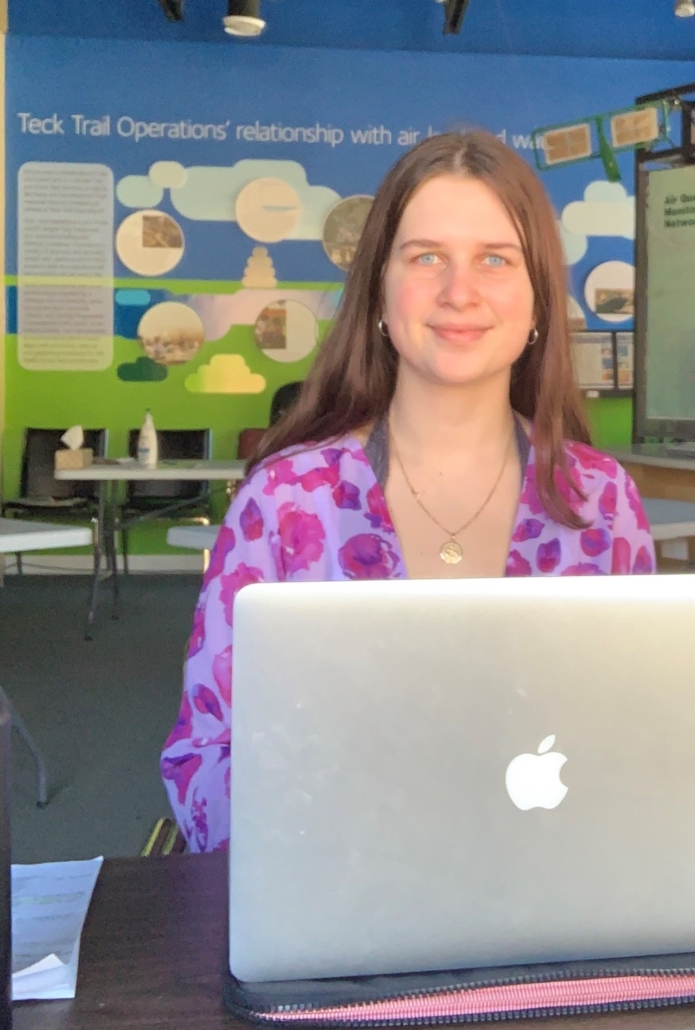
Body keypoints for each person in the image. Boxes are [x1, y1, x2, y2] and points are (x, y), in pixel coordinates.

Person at [160, 131, 656, 852]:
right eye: (427, 257)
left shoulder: (601, 503)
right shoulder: (286, 502)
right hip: (337, 892)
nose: (460, 292)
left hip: (557, 886)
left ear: (538, 301)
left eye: (496, 259)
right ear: (380, 293)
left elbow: (639, 743)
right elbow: (204, 758)